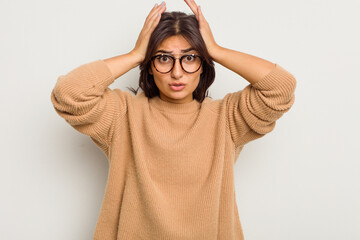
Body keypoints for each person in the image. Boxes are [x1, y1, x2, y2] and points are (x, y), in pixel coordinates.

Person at [50, 0, 297, 239]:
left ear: (203, 65)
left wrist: (216, 50)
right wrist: (136, 54)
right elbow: (69, 93)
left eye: (189, 58)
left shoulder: (226, 118)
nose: (176, 72)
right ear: (149, 65)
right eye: (163, 58)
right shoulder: (123, 114)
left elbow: (281, 87)